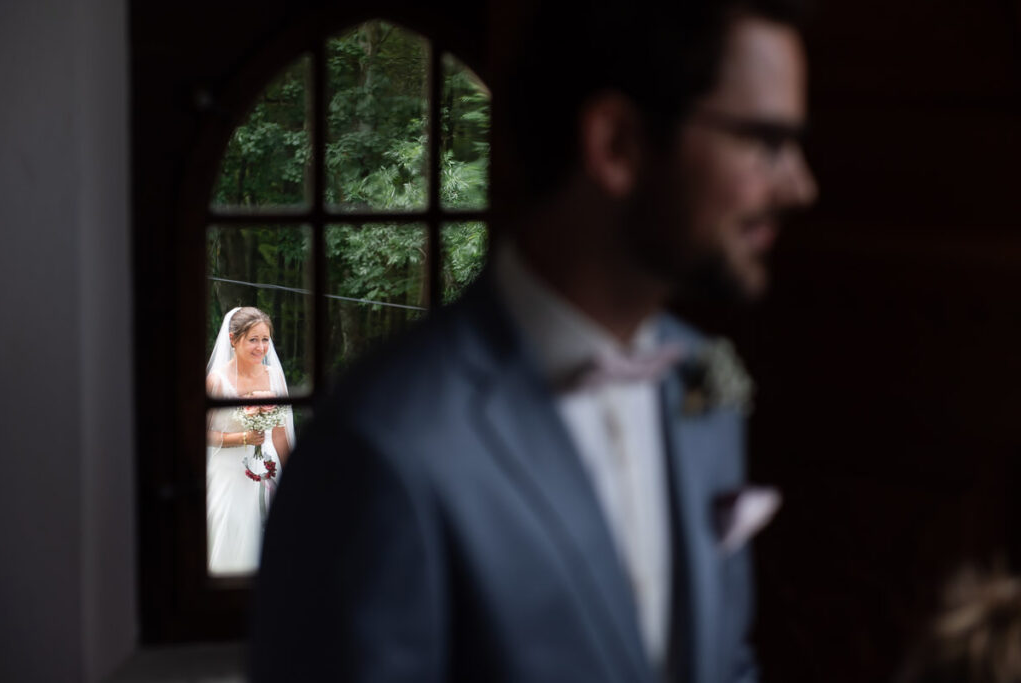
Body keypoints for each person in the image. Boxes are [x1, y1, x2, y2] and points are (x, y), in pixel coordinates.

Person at [253, 1, 816, 681]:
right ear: (618, 145)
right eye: (765, 142)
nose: (800, 186)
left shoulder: (709, 375)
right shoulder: (381, 445)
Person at [205, 306, 294, 575]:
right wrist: (242, 437)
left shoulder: (274, 376)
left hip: (267, 468)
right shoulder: (216, 381)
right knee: (231, 532)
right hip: (228, 474)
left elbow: (279, 433)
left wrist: (292, 477)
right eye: (252, 339)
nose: (260, 347)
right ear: (233, 340)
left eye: (265, 339)